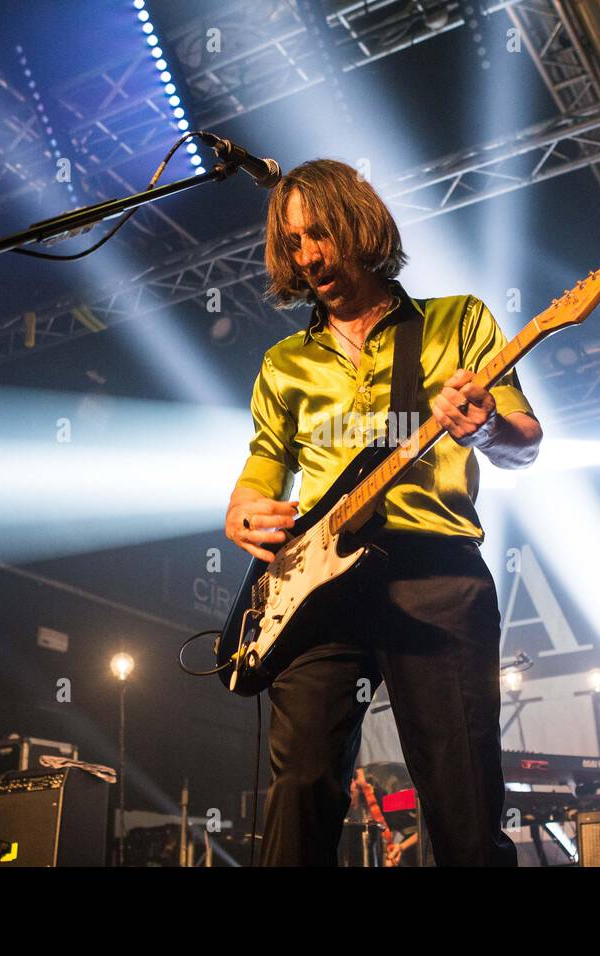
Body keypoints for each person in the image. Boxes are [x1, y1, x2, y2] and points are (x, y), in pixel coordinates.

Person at [223, 159, 542, 866]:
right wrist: (242, 514)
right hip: (319, 592)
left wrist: (485, 426)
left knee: (462, 804)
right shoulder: (283, 364)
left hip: (436, 575)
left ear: (360, 223)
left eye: (322, 235)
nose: (308, 256)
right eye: (294, 242)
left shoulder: (457, 321)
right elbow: (260, 477)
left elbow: (525, 445)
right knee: (301, 789)